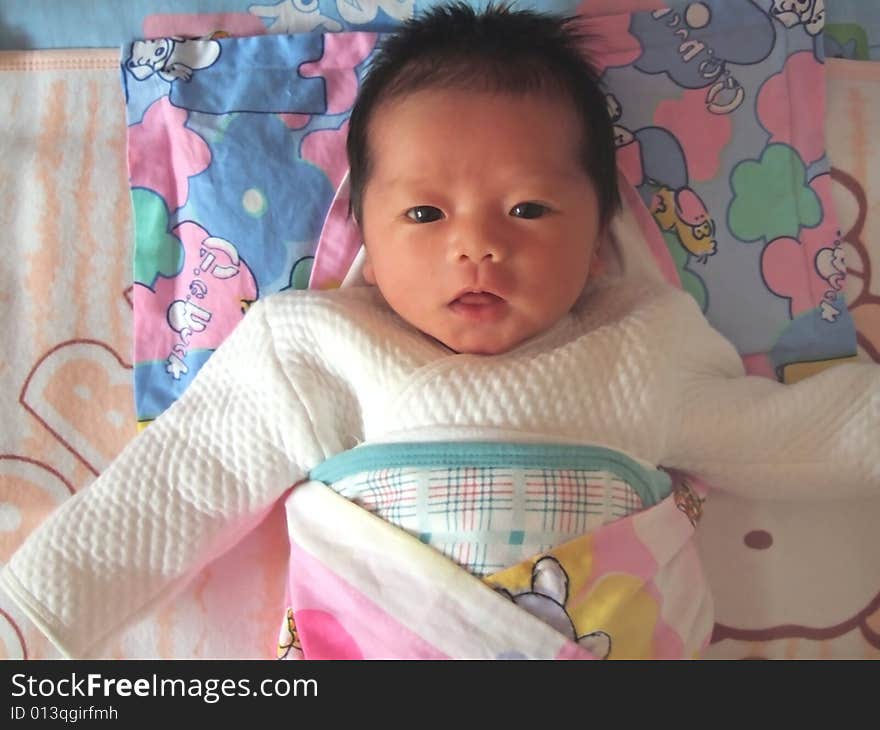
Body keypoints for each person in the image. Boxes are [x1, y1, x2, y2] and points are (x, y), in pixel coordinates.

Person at [3, 3, 877, 660]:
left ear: (600, 232)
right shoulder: (318, 346)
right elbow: (175, 490)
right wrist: (34, 624)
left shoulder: (640, 347)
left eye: (529, 208)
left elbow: (798, 436)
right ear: (366, 237)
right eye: (425, 212)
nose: (478, 243)